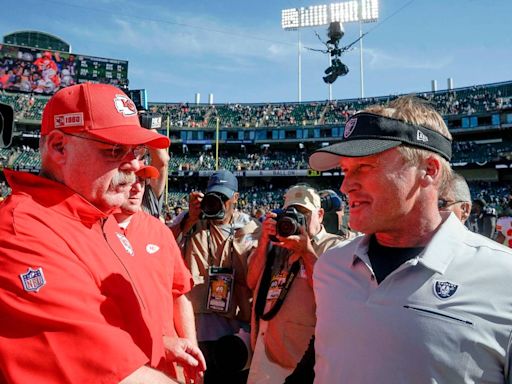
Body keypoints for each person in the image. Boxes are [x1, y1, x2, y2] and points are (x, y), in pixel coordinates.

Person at [308, 96, 512, 383]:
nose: (345, 185)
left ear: (429, 170)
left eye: (364, 167)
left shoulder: (503, 277)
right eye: (345, 170)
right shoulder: (331, 267)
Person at [0, 83, 193, 383]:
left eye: (136, 151)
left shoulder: (101, 217)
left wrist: (161, 343)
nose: (133, 166)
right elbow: (110, 374)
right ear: (58, 147)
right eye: (114, 150)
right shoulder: (21, 232)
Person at [114, 164, 206, 382]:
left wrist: (191, 350)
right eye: (129, 179)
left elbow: (179, 295)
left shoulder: (160, 231)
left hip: (167, 367)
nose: (137, 188)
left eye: (142, 180)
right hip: (120, 367)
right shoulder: (92, 231)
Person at [246, 185, 346, 384]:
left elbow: (331, 295)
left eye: (304, 214)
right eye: (292, 213)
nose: (297, 220)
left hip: (302, 358)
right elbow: (251, 281)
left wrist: (306, 251)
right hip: (264, 348)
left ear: (319, 214)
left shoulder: (335, 246)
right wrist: (264, 241)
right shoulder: (277, 244)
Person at [171, 170, 260, 383]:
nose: (218, 203)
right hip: (196, 330)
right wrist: (190, 218)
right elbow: (162, 241)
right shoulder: (193, 222)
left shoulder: (249, 229)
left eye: (224, 197)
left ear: (235, 199)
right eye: (213, 196)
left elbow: (254, 275)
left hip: (235, 332)